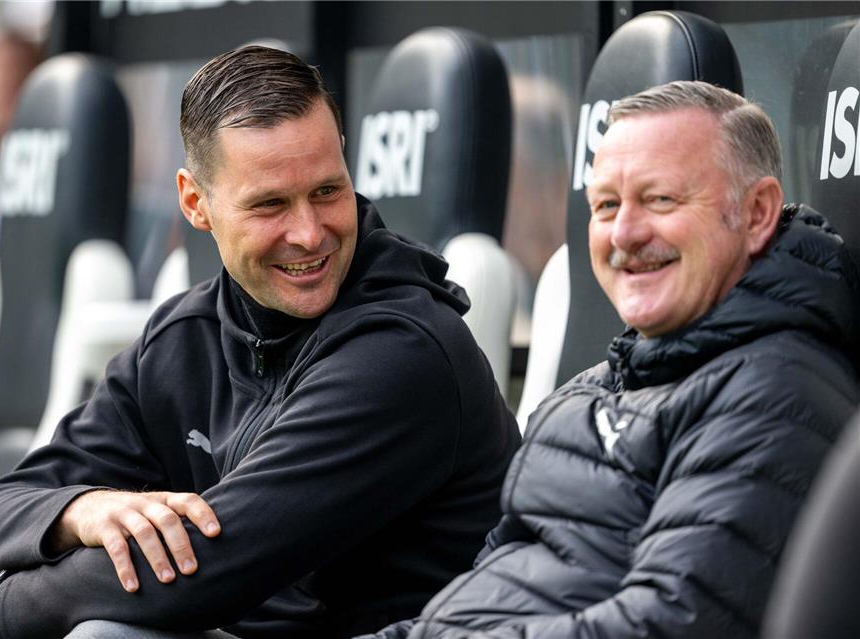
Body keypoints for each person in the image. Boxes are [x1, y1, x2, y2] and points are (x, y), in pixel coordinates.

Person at [0, 46, 520, 639]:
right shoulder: (183, 339)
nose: (310, 233)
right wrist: (81, 511)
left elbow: (203, 569)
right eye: (270, 204)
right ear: (195, 202)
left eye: (326, 191)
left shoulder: (403, 351)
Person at [364, 80, 860, 638]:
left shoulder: (774, 396)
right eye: (605, 205)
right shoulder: (584, 393)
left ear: (758, 212)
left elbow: (671, 623)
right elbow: (471, 602)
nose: (624, 233)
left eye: (660, 199)